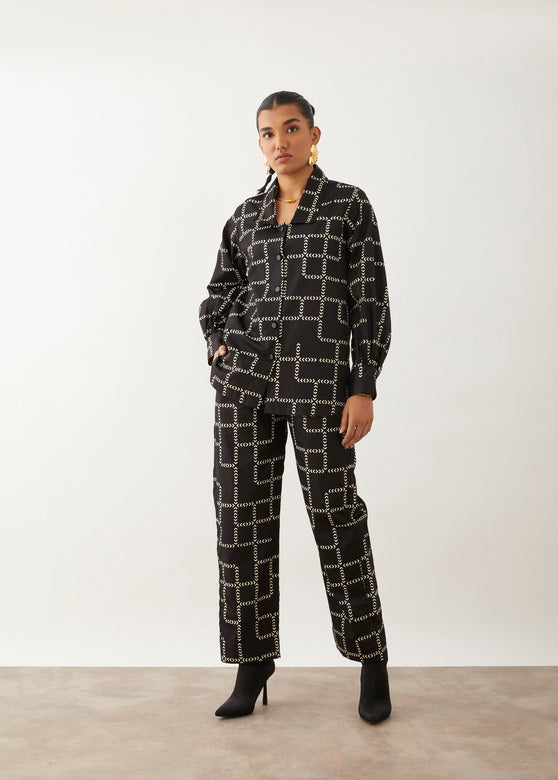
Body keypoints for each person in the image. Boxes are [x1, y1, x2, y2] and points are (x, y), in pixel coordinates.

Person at [198, 90, 392, 724]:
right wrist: (220, 346)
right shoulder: (244, 217)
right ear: (258, 143)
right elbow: (218, 293)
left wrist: (363, 385)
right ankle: (251, 662)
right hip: (245, 386)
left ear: (314, 134)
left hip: (321, 386)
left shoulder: (347, 206)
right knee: (241, 523)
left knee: (338, 518)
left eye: (291, 128)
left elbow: (370, 301)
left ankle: (371, 658)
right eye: (267, 133)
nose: (279, 141)